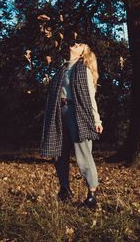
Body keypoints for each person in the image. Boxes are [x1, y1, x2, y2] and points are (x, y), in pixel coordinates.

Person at [40, 41, 103, 208]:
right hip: (59, 113)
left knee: (83, 154)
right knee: (59, 153)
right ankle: (64, 190)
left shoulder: (83, 70)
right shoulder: (63, 68)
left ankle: (92, 195)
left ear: (83, 53)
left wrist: (97, 120)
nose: (75, 43)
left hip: (77, 114)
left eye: (80, 44)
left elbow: (90, 97)